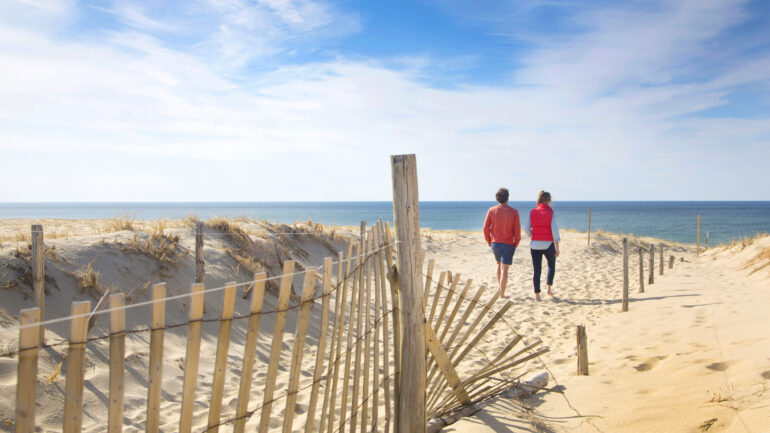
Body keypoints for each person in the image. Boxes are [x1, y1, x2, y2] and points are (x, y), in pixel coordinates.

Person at [483, 188, 521, 298]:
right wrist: (516, 243)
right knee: (505, 269)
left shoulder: (492, 210)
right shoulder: (514, 212)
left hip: (495, 243)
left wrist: (489, 241)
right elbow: (517, 230)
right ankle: (502, 293)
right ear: (507, 198)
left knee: (498, 265)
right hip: (508, 243)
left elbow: (485, 228)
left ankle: (500, 289)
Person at [525, 191, 560, 301]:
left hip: (535, 245)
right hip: (548, 244)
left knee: (537, 270)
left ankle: (537, 295)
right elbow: (555, 231)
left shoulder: (533, 212)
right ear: (549, 201)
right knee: (551, 265)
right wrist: (557, 246)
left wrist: (533, 235)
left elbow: (526, 229)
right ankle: (549, 288)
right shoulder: (551, 213)